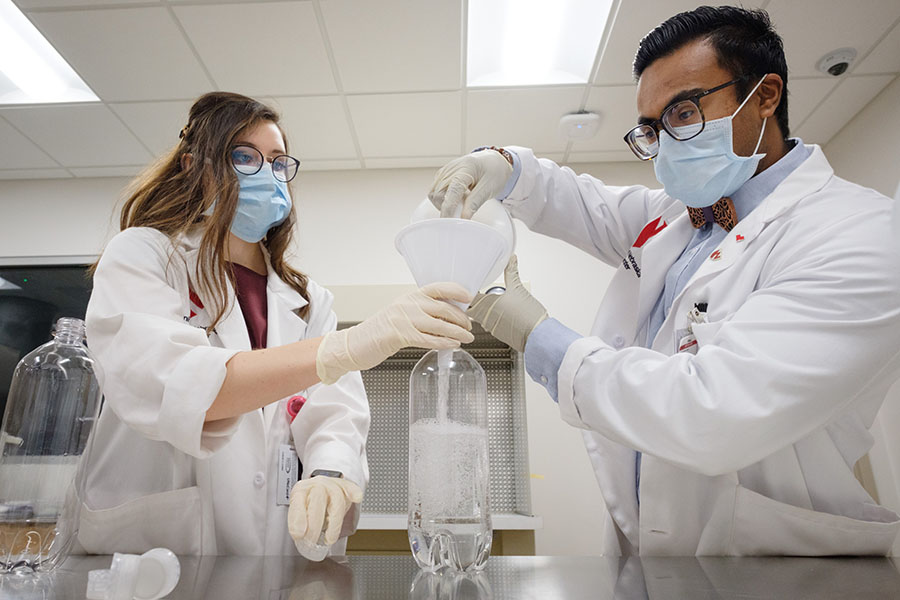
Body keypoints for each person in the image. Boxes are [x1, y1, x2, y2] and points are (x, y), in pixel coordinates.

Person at [429, 6, 900, 556]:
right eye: (653, 128)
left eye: (683, 112)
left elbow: (713, 413)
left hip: (774, 567)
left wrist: (539, 336)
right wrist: (504, 166)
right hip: (649, 559)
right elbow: (583, 204)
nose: (668, 142)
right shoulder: (681, 218)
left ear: (766, 95)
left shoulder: (859, 233)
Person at [78, 92, 474, 557]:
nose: (267, 174)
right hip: (153, 557)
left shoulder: (307, 301)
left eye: (278, 161)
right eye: (244, 157)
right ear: (193, 166)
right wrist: (347, 347)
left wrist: (329, 472)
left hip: (271, 557)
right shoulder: (144, 256)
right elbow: (179, 387)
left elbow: (335, 413)